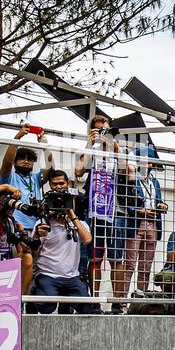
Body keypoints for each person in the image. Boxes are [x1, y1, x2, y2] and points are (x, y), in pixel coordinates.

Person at [75, 113, 133, 307]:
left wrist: (115, 147)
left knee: (117, 258)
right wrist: (89, 144)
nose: (102, 132)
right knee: (95, 258)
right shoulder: (91, 150)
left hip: (117, 209)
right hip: (95, 209)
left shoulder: (122, 149)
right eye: (97, 129)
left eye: (104, 128)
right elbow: (78, 171)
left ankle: (117, 302)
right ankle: (94, 300)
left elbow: (129, 172)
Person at [28, 169, 93, 313]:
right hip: (48, 274)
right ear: (50, 186)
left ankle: (66, 302)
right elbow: (33, 253)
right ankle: (34, 296)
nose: (58, 187)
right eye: (54, 184)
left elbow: (87, 240)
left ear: (67, 183)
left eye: (61, 183)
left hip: (72, 277)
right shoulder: (42, 222)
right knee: (46, 307)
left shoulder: (78, 223)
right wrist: (37, 236)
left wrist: (70, 212)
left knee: (87, 309)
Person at [124, 149, 166, 294]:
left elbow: (158, 201)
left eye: (148, 161)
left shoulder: (155, 182)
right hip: (136, 223)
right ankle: (122, 300)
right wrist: (140, 211)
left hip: (153, 223)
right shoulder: (131, 179)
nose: (146, 164)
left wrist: (162, 205)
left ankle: (140, 298)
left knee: (145, 266)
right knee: (129, 264)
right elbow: (126, 202)